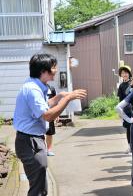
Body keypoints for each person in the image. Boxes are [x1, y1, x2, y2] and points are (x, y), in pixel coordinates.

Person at [13, 53, 87, 196]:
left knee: (39, 183)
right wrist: (67, 99)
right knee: (38, 187)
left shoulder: (35, 86)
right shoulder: (33, 90)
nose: (56, 70)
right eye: (53, 67)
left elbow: (43, 107)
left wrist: (59, 97)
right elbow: (48, 116)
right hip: (29, 141)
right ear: (43, 71)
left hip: (31, 140)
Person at [117, 65, 132, 154]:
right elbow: (120, 100)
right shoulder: (121, 85)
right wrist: (120, 111)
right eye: (122, 73)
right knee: (128, 128)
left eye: (126, 72)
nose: (124, 74)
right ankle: (130, 146)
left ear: (129, 73)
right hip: (126, 110)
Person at [45, 85, 56, 156]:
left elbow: (55, 102)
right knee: (39, 133)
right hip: (39, 114)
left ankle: (49, 150)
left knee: (49, 133)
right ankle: (41, 150)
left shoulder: (51, 88)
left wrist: (56, 114)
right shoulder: (34, 88)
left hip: (50, 113)